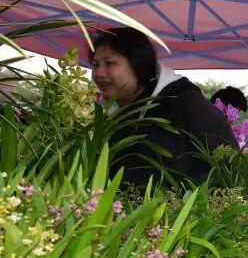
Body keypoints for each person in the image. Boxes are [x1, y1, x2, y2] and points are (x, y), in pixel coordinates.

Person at [90, 27, 238, 185]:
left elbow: (229, 170)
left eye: (109, 63)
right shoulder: (104, 115)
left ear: (138, 64)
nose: (99, 73)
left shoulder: (187, 104)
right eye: (95, 64)